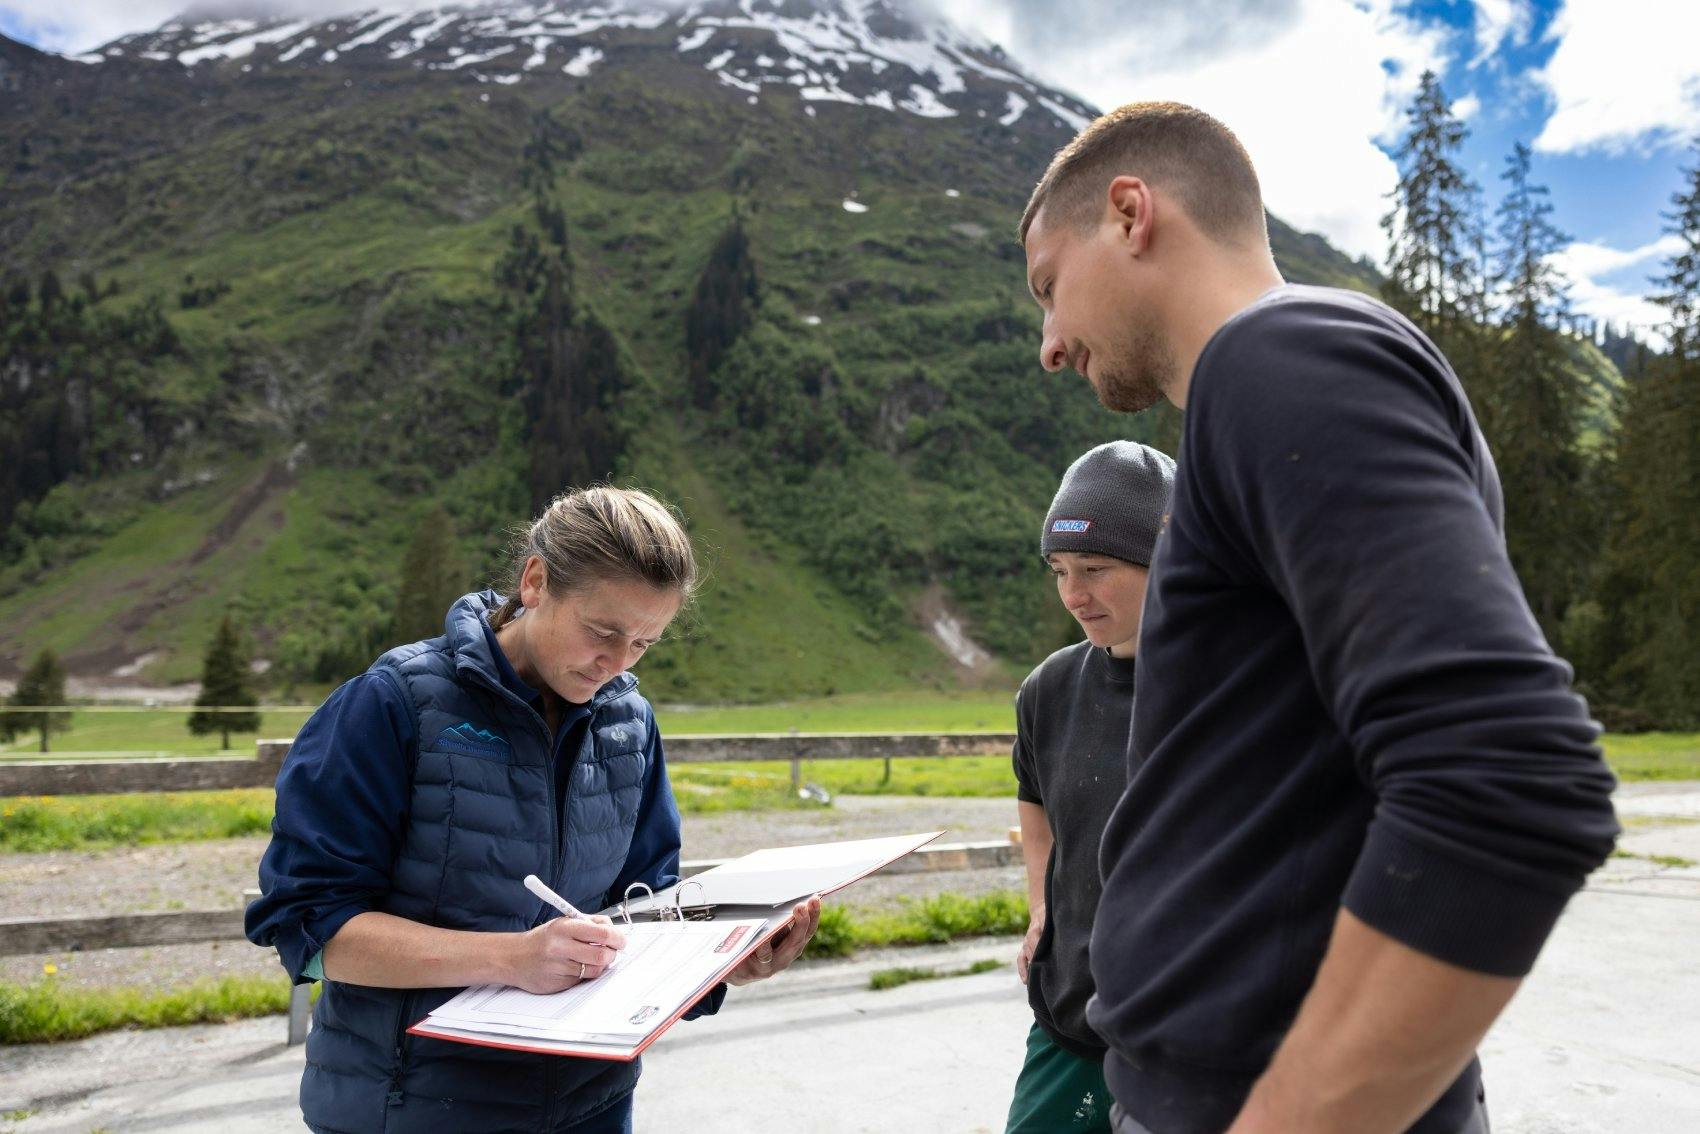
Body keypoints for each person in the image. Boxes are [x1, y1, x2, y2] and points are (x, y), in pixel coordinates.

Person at [1018, 102, 1620, 1134]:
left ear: (1128, 214)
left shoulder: (1280, 360)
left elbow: (1507, 781)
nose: (1048, 343)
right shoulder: (1279, 383)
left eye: (1046, 288)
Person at [246, 486, 821, 1134]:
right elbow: (311, 930)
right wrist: (510, 958)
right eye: (602, 632)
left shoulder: (629, 722)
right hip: (413, 1108)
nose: (617, 663)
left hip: (591, 1104)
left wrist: (722, 960)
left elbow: (650, 901)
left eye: (644, 643)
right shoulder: (390, 704)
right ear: (535, 581)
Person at [1006, 441, 1175, 1134]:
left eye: (1097, 569)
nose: (1074, 595)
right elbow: (1035, 795)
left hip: (1184, 1039)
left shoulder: (1229, 685)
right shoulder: (1049, 688)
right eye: (1061, 570)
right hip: (1071, 1019)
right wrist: (1039, 903)